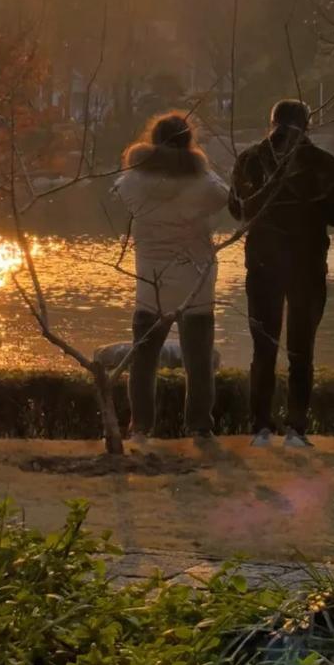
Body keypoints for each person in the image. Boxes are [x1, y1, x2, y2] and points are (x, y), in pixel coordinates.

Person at [229, 99, 334, 450]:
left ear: (272, 121)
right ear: (308, 125)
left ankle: (260, 428)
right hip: (307, 265)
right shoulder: (323, 163)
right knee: (301, 351)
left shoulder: (250, 160)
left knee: (263, 348)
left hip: (263, 265)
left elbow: (237, 210)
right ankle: (296, 429)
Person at [113, 111, 230, 446]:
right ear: (188, 141)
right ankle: (199, 427)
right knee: (198, 360)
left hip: (151, 283)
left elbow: (120, 192)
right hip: (195, 282)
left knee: (144, 359)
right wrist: (202, 166)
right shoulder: (203, 184)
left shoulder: (132, 182)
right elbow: (227, 196)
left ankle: (139, 428)